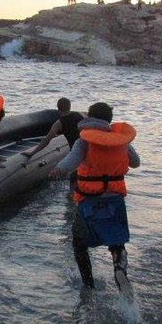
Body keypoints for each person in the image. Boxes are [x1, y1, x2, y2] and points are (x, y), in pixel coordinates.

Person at [48, 102, 139, 292]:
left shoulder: (84, 141)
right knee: (117, 241)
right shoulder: (120, 140)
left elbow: (72, 159)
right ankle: (119, 267)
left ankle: (88, 286)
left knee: (79, 243)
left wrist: (58, 170)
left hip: (90, 200)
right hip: (115, 200)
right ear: (109, 120)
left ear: (89, 117)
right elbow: (136, 163)